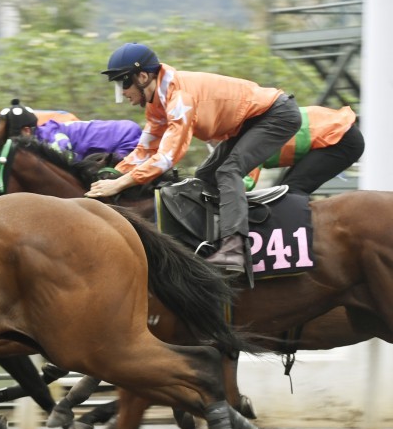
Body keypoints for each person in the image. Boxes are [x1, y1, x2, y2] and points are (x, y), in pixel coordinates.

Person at [86, 43, 301, 271]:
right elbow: (144, 151)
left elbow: (167, 157)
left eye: (124, 83)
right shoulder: (157, 103)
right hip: (250, 122)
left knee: (228, 171)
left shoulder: (179, 98)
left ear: (142, 76)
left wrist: (120, 184)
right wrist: (114, 174)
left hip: (276, 115)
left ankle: (234, 248)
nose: (123, 92)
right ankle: (213, 240)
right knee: (204, 176)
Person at [243, 104, 364, 195]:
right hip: (333, 132)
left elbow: (244, 184)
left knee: (290, 191)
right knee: (283, 192)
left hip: (340, 138)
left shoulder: (245, 142)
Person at [2, 99, 142, 163]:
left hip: (124, 137)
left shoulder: (49, 137)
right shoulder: (41, 136)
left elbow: (66, 158)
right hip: (119, 136)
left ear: (26, 131)